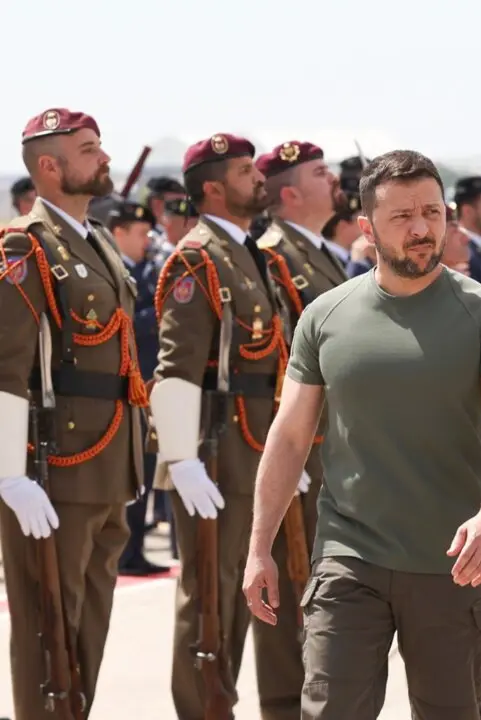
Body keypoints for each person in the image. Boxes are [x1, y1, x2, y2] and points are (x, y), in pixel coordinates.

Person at [242, 149, 481, 720]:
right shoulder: (325, 317)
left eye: (432, 211)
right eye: (403, 217)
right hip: (349, 560)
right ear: (368, 229)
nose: (423, 229)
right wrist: (258, 550)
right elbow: (290, 435)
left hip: (453, 562)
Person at [0, 107, 146, 719]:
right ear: (50, 166)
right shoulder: (23, 244)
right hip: (56, 465)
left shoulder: (95, 241)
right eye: (89, 149)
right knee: (47, 630)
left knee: (88, 629)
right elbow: (5, 366)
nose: (104, 158)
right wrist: (10, 472)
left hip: (108, 464)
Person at [147, 133, 284, 720]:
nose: (259, 178)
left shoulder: (250, 253)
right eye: (246, 170)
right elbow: (175, 370)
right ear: (212, 188)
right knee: (209, 598)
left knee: (237, 595)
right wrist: (181, 460)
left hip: (254, 446)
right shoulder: (197, 258)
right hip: (217, 449)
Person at [250, 139, 347, 720]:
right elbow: (268, 360)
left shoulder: (321, 253)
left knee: (326, 592)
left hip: (335, 447)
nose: (332, 177)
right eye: (319, 172)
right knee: (290, 589)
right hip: (301, 451)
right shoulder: (271, 255)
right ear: (289, 193)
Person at [107, 199, 171, 576]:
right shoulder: (114, 270)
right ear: (119, 233)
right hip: (122, 389)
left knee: (144, 474)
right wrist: (164, 314)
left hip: (147, 388)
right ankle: (123, 552)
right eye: (140, 233)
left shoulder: (146, 271)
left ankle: (134, 550)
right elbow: (122, 321)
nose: (148, 240)